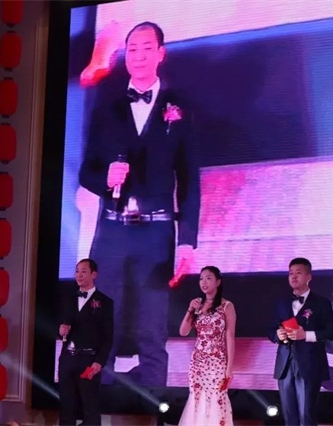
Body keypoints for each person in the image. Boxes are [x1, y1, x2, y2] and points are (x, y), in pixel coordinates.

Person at [79, 21, 200, 387]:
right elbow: (86, 172)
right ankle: (97, 406)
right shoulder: (108, 106)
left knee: (151, 330)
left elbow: (189, 178)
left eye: (147, 48)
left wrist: (187, 241)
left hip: (156, 233)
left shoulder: (180, 107)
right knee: (103, 328)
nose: (139, 55)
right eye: (132, 49)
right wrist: (105, 179)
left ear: (161, 54)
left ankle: (153, 407)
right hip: (112, 231)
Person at [268, 257, 333, 426]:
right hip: (285, 364)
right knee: (289, 416)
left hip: (310, 364)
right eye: (290, 273)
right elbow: (271, 330)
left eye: (298, 273)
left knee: (306, 415)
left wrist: (306, 335)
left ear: (309, 277)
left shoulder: (321, 303)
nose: (293, 276)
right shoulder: (281, 302)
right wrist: (278, 335)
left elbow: (332, 332)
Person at [58, 259, 114, 426]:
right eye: (77, 271)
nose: (79, 275)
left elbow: (108, 336)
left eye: (83, 271)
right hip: (68, 359)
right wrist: (60, 330)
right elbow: (60, 324)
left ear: (93, 274)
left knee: (90, 409)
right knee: (66, 408)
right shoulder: (68, 298)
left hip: (88, 361)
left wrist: (99, 362)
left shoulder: (105, 302)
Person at [177, 266, 236, 426]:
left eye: (209, 278)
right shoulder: (197, 305)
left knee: (217, 398)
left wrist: (229, 368)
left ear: (218, 282)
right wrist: (190, 309)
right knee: (197, 398)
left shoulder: (227, 306)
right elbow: (183, 331)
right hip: (198, 361)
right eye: (201, 278)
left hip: (217, 361)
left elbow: (230, 337)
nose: (204, 282)